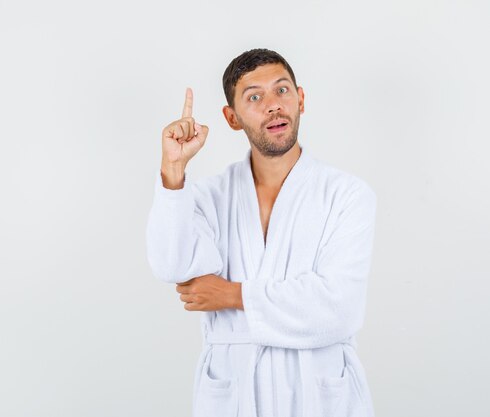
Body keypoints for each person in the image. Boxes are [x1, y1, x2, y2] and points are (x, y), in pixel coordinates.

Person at [146, 48, 377, 417]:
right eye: (254, 96)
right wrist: (172, 172)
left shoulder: (346, 195)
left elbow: (338, 308)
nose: (273, 105)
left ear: (300, 99)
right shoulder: (209, 197)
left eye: (282, 91)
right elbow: (173, 266)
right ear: (232, 118)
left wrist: (231, 294)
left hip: (318, 393)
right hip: (234, 391)